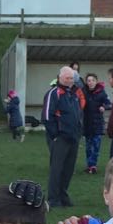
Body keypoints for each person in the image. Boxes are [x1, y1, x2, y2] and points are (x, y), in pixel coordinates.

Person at [43, 66, 83, 209]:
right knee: (57, 169)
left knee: (68, 169)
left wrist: (79, 132)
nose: (69, 80)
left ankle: (63, 196)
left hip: (73, 137)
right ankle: (53, 199)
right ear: (59, 77)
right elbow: (47, 116)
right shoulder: (54, 93)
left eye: (71, 78)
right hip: (60, 138)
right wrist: (55, 135)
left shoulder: (73, 94)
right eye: (67, 78)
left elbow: (78, 114)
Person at [81, 72, 110, 174]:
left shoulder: (101, 92)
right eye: (89, 81)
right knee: (88, 147)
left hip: (97, 123)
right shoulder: (83, 91)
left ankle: (93, 165)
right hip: (87, 123)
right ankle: (89, 165)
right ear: (86, 82)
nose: (91, 82)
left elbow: (109, 104)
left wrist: (104, 107)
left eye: (93, 80)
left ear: (96, 81)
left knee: (96, 146)